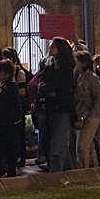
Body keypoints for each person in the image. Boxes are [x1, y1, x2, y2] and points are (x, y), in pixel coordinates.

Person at [34, 37, 76, 172]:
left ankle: (56, 170)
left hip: (62, 108)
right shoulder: (49, 65)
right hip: (51, 108)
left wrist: (51, 89)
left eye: (53, 47)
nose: (50, 49)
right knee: (57, 141)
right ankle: (69, 169)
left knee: (58, 143)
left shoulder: (67, 67)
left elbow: (63, 87)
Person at [0, 58, 26, 177]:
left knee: (9, 151)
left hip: (8, 125)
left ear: (6, 74)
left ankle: (9, 171)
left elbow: (8, 106)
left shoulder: (11, 88)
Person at [71, 49, 100, 171]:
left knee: (82, 146)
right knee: (88, 147)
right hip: (82, 114)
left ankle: (84, 170)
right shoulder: (79, 77)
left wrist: (93, 111)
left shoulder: (92, 77)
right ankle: (92, 169)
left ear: (83, 63)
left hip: (91, 115)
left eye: (76, 62)